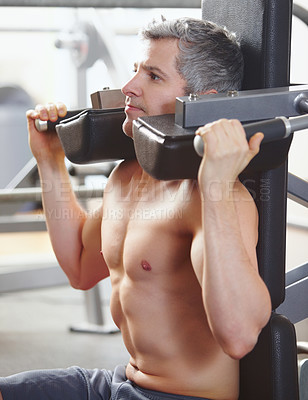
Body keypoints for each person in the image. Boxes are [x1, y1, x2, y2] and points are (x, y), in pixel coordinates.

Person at [0, 17, 271, 400]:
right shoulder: (128, 176)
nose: (128, 88)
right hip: (117, 384)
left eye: (153, 77)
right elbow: (79, 265)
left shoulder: (218, 200)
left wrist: (215, 187)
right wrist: (49, 160)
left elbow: (240, 337)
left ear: (201, 102)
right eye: (134, 72)